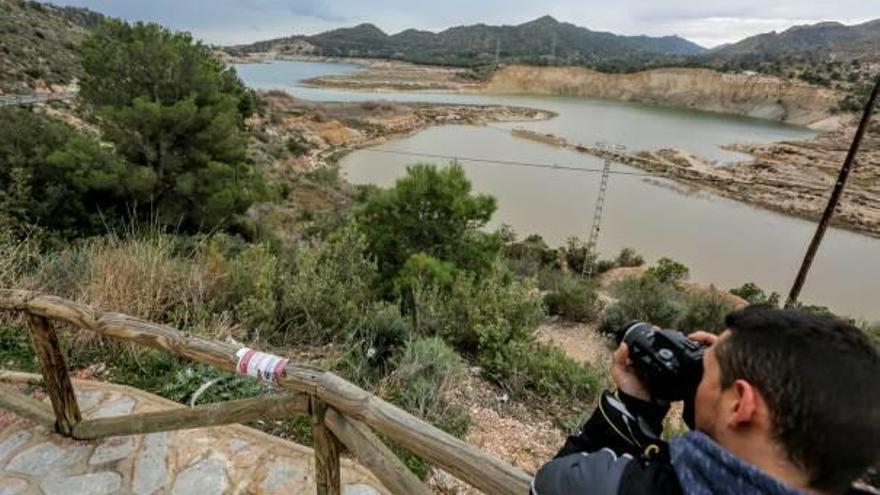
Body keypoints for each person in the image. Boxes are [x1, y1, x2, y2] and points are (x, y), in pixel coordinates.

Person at [531, 306, 880, 495]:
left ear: (741, 404)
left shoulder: (600, 487)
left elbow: (548, 481)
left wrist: (635, 406)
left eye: (706, 369)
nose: (698, 378)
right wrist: (724, 373)